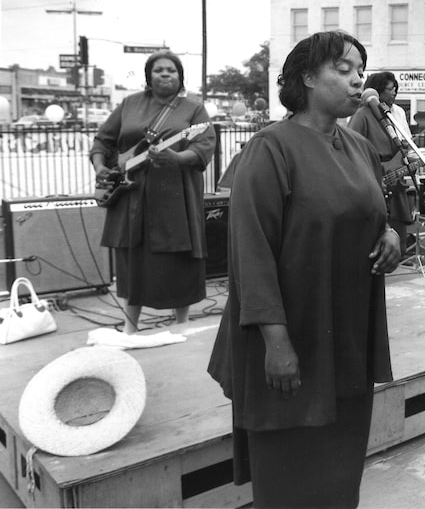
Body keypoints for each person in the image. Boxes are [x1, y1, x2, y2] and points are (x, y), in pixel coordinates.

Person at [207, 31, 399, 509]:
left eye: (360, 69)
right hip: (289, 335)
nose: (358, 79)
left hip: (346, 331)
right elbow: (250, 253)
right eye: (344, 69)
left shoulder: (358, 145)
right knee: (291, 475)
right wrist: (277, 342)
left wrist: (391, 235)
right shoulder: (270, 149)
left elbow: (376, 213)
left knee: (339, 470)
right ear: (308, 78)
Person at [90, 50, 216, 334]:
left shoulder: (193, 109)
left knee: (177, 261)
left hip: (174, 196)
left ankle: (181, 324)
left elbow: (204, 144)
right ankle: (129, 327)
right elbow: (103, 141)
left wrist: (178, 158)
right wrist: (100, 166)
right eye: (159, 70)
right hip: (131, 195)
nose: (165, 74)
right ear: (148, 76)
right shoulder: (129, 104)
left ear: (180, 76)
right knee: (132, 260)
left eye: (171, 70)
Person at [348, 71, 415, 255]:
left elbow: (402, 144)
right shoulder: (362, 115)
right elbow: (352, 148)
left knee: (397, 230)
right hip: (373, 178)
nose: (394, 93)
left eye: (396, 90)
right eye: (390, 89)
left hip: (394, 178)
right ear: (376, 92)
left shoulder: (393, 114)